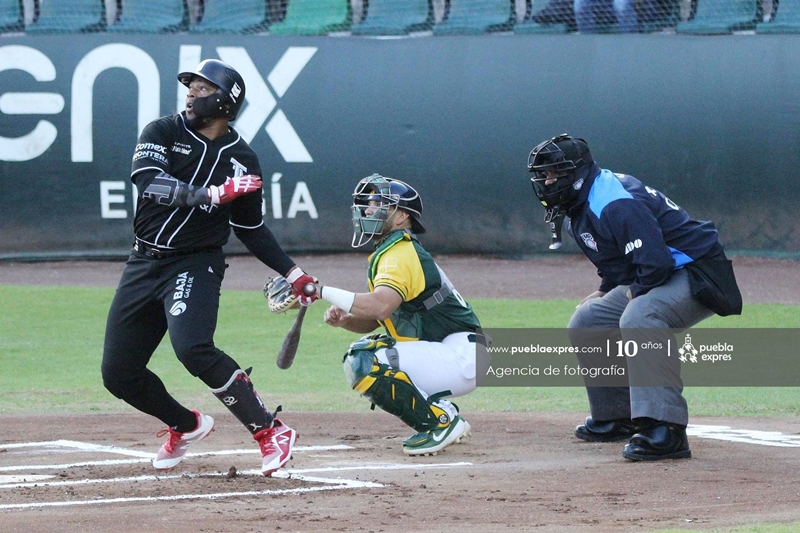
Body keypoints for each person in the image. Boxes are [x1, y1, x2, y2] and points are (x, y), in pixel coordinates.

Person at [101, 59, 319, 476]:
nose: (190, 94)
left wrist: (294, 274)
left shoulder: (243, 159)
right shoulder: (161, 131)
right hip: (143, 261)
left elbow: (250, 228)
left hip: (194, 262)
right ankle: (186, 425)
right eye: (190, 87)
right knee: (118, 373)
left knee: (192, 348)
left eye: (200, 89)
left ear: (224, 101)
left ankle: (270, 431)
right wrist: (212, 194)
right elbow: (149, 181)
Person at [526, 134, 741, 461]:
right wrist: (603, 292)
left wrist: (631, 291)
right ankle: (618, 416)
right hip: (662, 270)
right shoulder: (578, 206)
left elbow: (655, 264)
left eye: (554, 172)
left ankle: (667, 429)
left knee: (640, 316)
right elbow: (617, 262)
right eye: (543, 174)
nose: (547, 181)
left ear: (578, 173)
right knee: (589, 320)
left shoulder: (615, 201)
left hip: (699, 271)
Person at [317, 174, 483, 456]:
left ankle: (441, 422)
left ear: (401, 215)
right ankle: (441, 410)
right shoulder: (392, 251)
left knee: (365, 359)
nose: (367, 210)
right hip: (454, 353)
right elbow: (381, 317)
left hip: (461, 355)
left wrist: (320, 290)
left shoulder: (400, 253)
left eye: (378, 204)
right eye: (367, 204)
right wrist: (347, 319)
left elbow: (380, 305)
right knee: (370, 349)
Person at [573, 0, 639, 33]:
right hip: (598, 3)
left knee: (621, 5)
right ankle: (587, 42)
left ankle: (631, 41)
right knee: (580, 4)